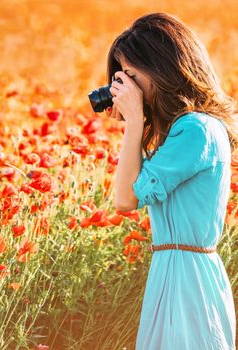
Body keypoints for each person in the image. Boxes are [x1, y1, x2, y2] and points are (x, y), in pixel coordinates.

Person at [105, 12, 237, 350]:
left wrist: (135, 122)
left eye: (131, 76)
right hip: (174, 271)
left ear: (163, 67)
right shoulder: (185, 129)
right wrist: (135, 120)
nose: (125, 87)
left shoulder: (196, 129)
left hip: (187, 279)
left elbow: (125, 200)